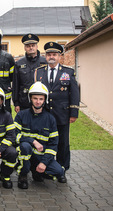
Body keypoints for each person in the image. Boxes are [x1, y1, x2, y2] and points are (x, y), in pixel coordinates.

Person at [34, 42, 80, 183]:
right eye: (49, 54)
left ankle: (62, 170)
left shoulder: (68, 72)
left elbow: (74, 94)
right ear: (45, 56)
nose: (51, 57)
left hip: (62, 115)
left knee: (63, 144)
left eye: (54, 54)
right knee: (44, 142)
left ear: (60, 56)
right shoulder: (39, 72)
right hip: (45, 115)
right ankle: (46, 168)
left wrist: (74, 113)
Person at [14, 82, 65, 189]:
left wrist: (44, 163)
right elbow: (14, 136)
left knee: (59, 172)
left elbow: (53, 145)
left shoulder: (50, 119)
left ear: (45, 100)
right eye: (35, 98)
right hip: (26, 153)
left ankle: (37, 171)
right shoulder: (21, 115)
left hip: (41, 155)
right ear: (30, 99)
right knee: (25, 146)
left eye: (41, 99)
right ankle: (23, 175)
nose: (38, 102)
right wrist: (32, 141)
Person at [12, 34, 46, 112]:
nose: (31, 48)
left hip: (41, 102)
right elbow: (16, 84)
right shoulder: (19, 63)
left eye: (33, 45)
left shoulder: (44, 62)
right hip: (24, 101)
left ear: (37, 46)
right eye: (28, 46)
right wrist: (16, 103)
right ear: (25, 48)